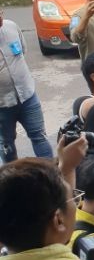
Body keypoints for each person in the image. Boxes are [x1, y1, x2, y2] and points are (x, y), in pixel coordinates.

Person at [0, 9, 53, 163]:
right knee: (6, 145)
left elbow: (22, 50)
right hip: (2, 106)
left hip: (28, 97)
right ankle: (12, 181)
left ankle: (51, 174)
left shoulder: (11, 26)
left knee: (39, 137)